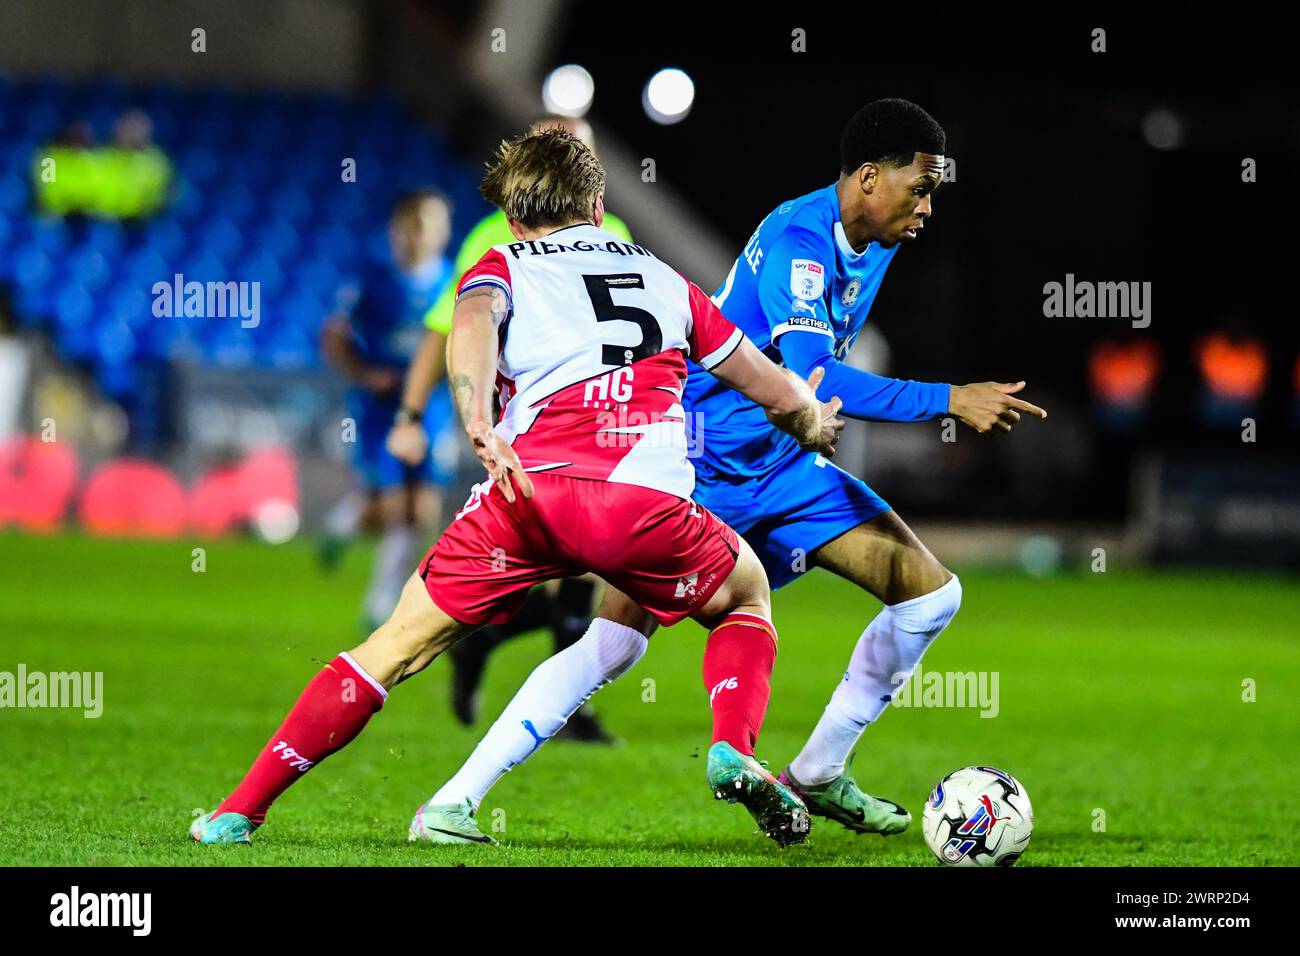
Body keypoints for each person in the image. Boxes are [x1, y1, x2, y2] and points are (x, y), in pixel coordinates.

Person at [414, 98, 1047, 843]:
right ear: (870, 178)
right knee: (613, 642)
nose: (929, 206)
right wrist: (951, 399)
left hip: (784, 462)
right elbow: (817, 382)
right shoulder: (799, 244)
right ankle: (454, 800)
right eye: (921, 187)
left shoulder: (876, 235)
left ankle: (815, 772)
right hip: (702, 461)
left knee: (930, 597)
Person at [191, 127, 843, 848]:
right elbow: (769, 387)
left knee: (392, 649)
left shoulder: (501, 263)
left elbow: (469, 323)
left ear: (510, 215)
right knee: (746, 597)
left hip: (524, 496)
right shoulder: (666, 280)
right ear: (598, 205)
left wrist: (474, 419)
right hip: (643, 510)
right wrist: (813, 421)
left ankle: (238, 811)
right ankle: (733, 748)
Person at [389, 114, 631, 741]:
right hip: (516, 433)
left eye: (582, 147)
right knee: (554, 565)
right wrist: (413, 414)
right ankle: (498, 654)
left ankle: (512, 662)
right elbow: (449, 326)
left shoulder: (619, 232)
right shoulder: (495, 238)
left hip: (606, 428)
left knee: (581, 567)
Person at [320, 189, 457, 630]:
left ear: (442, 232)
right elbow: (335, 334)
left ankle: (345, 521)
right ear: (396, 230)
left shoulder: (455, 280)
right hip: (382, 410)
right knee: (396, 505)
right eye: (411, 225)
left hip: (431, 407)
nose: (419, 236)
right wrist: (364, 373)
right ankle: (380, 601)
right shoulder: (371, 278)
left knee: (423, 512)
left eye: (429, 226)